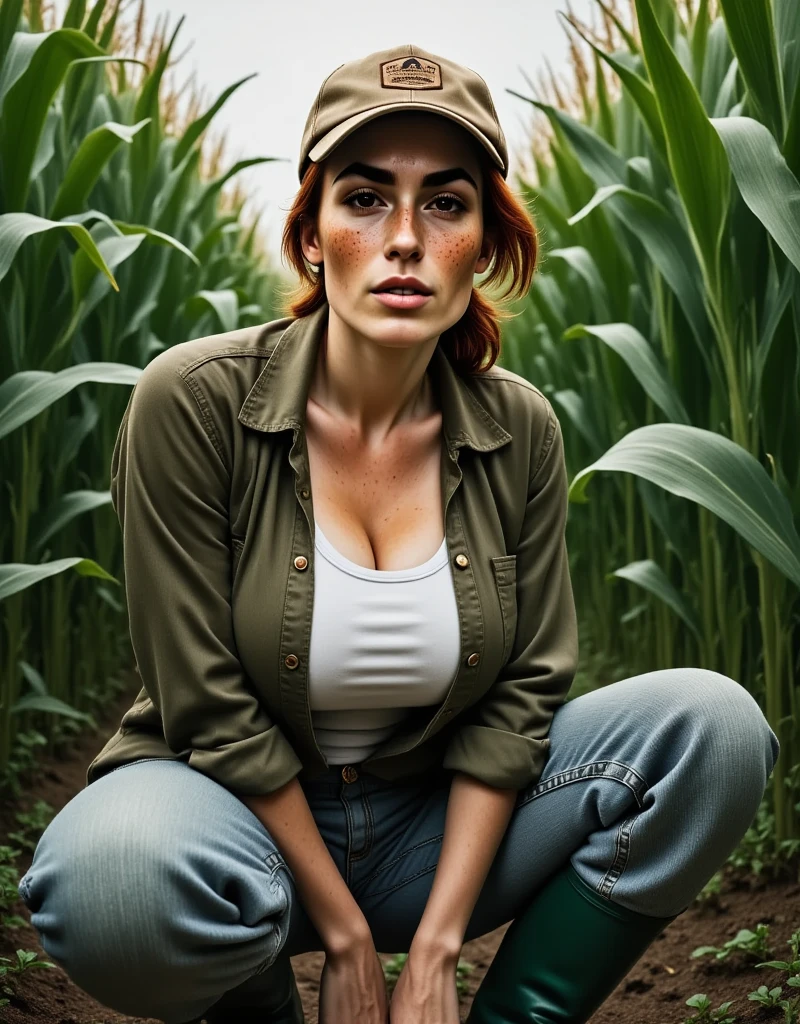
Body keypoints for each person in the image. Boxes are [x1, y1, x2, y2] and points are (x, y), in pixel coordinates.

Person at [18, 44, 779, 1024]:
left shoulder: (519, 427)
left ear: (486, 242)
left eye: (446, 203)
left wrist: (434, 948)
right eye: (366, 197)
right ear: (311, 231)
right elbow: (203, 704)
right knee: (115, 883)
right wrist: (341, 940)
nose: (406, 238)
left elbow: (524, 694)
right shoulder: (193, 401)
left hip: (435, 824)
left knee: (711, 731)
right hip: (232, 817)